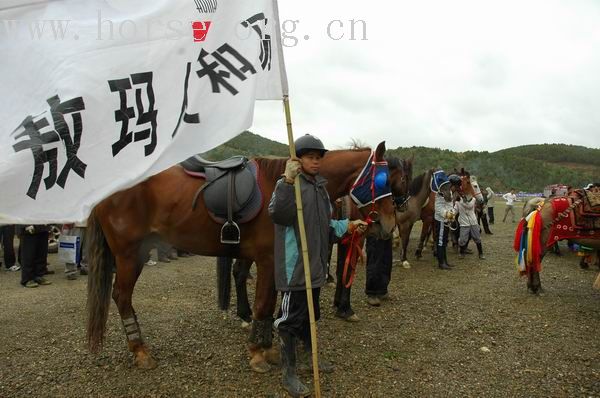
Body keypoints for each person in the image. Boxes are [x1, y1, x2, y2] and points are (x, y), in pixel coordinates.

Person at [269, 134, 368, 397]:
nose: (315, 162)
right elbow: (277, 214)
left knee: (309, 318)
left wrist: (347, 226)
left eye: (318, 158)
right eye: (310, 157)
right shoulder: (287, 185)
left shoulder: (320, 188)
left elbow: (325, 226)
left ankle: (308, 360)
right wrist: (288, 181)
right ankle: (288, 374)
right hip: (295, 267)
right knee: (289, 320)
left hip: (316, 267)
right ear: (298, 159)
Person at [433, 173, 456, 270]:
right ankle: (441, 263)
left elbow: (450, 205)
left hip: (446, 220)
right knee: (440, 241)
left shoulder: (449, 192)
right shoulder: (439, 193)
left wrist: (452, 213)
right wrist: (446, 214)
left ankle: (445, 261)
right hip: (441, 220)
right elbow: (438, 208)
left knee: (444, 241)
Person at [455, 195, 486, 260]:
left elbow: (469, 206)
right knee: (462, 240)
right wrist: (450, 214)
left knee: (477, 238)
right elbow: (455, 210)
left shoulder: (473, 199)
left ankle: (481, 253)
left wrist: (460, 201)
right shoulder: (457, 202)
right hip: (464, 223)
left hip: (473, 222)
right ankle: (462, 253)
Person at [365, 236, 393, 306]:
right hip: (375, 233)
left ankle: (382, 290)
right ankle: (371, 293)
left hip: (387, 233)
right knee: (374, 262)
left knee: (386, 261)